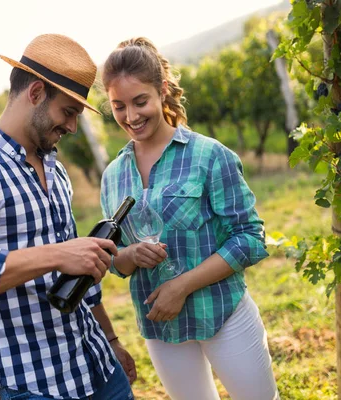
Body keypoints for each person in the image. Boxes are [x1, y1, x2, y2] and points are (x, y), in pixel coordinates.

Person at [0, 34, 136, 400]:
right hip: (34, 385)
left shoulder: (55, 168)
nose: (72, 127)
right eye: (68, 112)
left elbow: (80, 274)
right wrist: (57, 254)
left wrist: (110, 339)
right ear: (35, 93)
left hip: (95, 365)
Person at [99, 37, 279, 400]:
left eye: (140, 102)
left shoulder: (210, 155)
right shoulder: (113, 176)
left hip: (223, 313)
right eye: (119, 106)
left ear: (162, 90)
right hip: (161, 326)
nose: (131, 117)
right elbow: (113, 258)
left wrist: (182, 287)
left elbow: (249, 238)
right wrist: (129, 256)